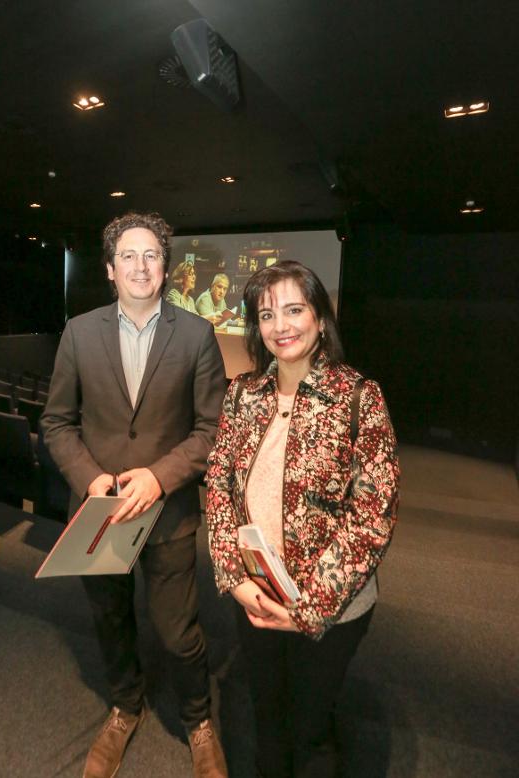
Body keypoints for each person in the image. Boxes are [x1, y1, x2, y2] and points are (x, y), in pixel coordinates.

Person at [40, 212, 228, 778]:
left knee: (177, 634)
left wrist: (160, 476)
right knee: (110, 621)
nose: (140, 265)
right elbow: (56, 424)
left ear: (165, 269)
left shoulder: (196, 334)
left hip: (167, 514)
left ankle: (198, 719)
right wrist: (88, 477)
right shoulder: (78, 332)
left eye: (151, 255)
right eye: (129, 255)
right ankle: (125, 705)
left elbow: (212, 429)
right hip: (100, 514)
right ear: (109, 269)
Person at [206, 260, 399, 778]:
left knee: (310, 727)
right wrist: (235, 578)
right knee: (266, 716)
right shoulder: (242, 395)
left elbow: (372, 519)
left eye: (294, 310)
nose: (280, 325)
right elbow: (220, 489)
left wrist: (307, 609)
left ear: (319, 319)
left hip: (331, 608)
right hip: (258, 593)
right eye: (267, 314)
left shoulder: (359, 397)